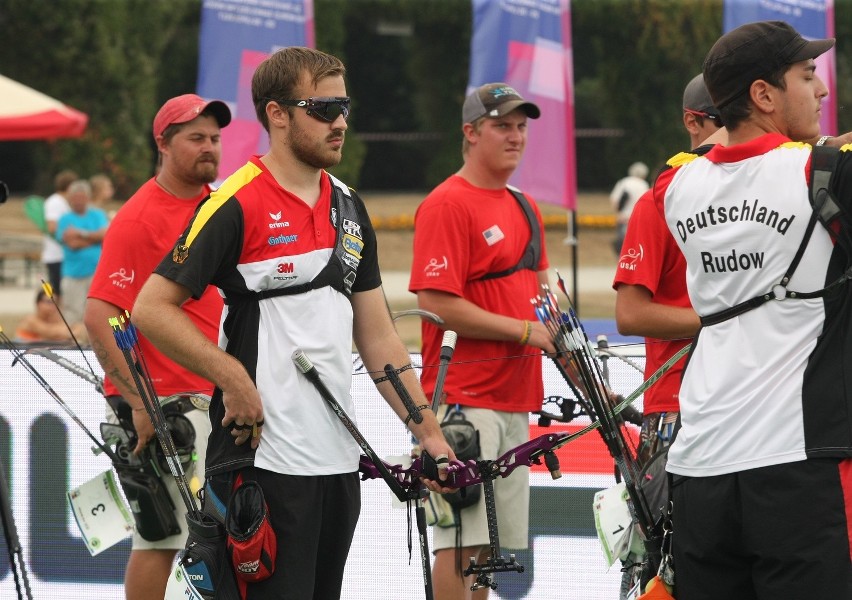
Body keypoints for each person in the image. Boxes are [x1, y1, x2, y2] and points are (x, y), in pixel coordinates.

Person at [131, 47, 454, 600]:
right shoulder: (233, 202)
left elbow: (378, 335)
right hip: (263, 464)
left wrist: (429, 435)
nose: (341, 122)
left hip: (336, 462)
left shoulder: (351, 208)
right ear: (277, 114)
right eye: (323, 108)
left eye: (344, 106)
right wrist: (234, 380)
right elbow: (150, 308)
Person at [655, 21, 852, 598]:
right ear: (763, 95)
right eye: (807, 75)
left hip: (700, 467)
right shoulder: (823, 172)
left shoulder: (678, 186)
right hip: (797, 466)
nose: (820, 91)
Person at [408, 82, 555, 600]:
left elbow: (547, 307)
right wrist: (523, 331)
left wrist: (586, 372)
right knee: (460, 544)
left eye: (521, 126)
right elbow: (437, 303)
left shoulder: (524, 205)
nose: (515, 136)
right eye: (502, 125)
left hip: (514, 397)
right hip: (464, 400)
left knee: (491, 549)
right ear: (470, 133)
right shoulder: (448, 203)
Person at [84, 93, 232, 600]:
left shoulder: (219, 205)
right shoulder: (140, 216)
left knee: (211, 535)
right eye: (196, 138)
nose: (209, 147)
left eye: (214, 138)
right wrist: (137, 402)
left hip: (211, 396)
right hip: (163, 403)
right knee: (162, 538)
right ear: (163, 144)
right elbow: (98, 314)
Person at [613, 74, 723, 468]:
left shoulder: (773, 187)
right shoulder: (658, 199)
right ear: (693, 122)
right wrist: (725, 322)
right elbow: (630, 314)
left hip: (754, 403)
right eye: (723, 120)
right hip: (678, 406)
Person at [55, 179, 109, 325]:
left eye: (82, 197)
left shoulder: (97, 215)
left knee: (95, 313)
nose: (78, 201)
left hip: (95, 272)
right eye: (75, 198)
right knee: (73, 312)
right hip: (73, 274)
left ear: (88, 198)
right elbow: (72, 243)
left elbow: (106, 235)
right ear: (70, 199)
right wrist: (94, 238)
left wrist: (80, 233)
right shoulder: (65, 219)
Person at [41, 169, 77, 295]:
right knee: (56, 293)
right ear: (69, 186)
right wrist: (73, 235)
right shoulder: (55, 202)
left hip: (64, 255)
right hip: (55, 255)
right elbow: (52, 227)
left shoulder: (64, 203)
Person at [15, 289, 86, 344]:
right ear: (38, 303)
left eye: (55, 303)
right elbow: (49, 333)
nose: (52, 306)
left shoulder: (53, 318)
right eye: (48, 302)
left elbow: (78, 328)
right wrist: (69, 333)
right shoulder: (30, 320)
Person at [610, 161, 649, 255]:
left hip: (623, 218)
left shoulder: (623, 182)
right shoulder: (643, 185)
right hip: (636, 220)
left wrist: (619, 214)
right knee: (634, 246)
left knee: (621, 246)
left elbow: (614, 201)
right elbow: (645, 204)